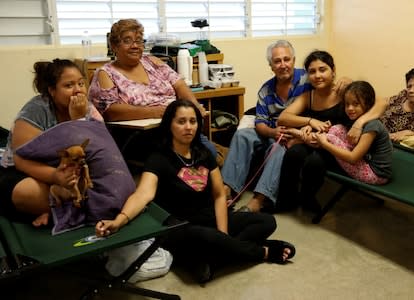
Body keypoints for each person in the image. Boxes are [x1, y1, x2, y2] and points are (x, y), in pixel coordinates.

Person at [95, 100, 296, 283]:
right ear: (170, 125)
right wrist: (119, 220)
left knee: (266, 221)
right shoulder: (158, 158)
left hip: (208, 219)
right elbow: (142, 195)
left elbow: (219, 194)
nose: (188, 127)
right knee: (206, 237)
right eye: (181, 121)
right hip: (179, 227)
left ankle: (209, 260)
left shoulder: (204, 154)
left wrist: (223, 234)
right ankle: (264, 251)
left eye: (192, 121)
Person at [88, 18, 216, 157]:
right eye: (127, 40)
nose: (135, 45)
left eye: (138, 40)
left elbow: (179, 84)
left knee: (208, 153)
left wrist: (194, 106)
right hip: (141, 135)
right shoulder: (105, 73)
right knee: (199, 156)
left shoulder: (153, 62)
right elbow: (111, 111)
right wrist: (159, 112)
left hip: (175, 124)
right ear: (114, 46)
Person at [0, 59, 103, 226]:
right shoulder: (37, 109)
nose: (78, 90)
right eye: (69, 86)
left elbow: (101, 149)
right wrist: (55, 176)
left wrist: (79, 118)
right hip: (28, 172)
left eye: (81, 83)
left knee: (105, 183)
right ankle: (59, 211)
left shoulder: (88, 109)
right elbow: (21, 160)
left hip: (72, 172)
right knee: (26, 192)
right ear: (52, 90)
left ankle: (52, 212)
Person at [220, 40, 311, 213]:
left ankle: (258, 200)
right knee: (242, 135)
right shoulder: (265, 90)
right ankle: (228, 190)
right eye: (277, 61)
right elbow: (260, 123)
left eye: (287, 59)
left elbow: (329, 84)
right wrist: (272, 132)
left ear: (293, 60)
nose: (283, 65)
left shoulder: (307, 79)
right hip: (271, 131)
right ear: (271, 66)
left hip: (294, 135)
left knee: (278, 149)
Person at [276, 50, 363, 211]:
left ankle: (308, 198)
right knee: (294, 153)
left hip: (336, 146)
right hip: (313, 140)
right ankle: (286, 201)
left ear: (333, 71)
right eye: (312, 72)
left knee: (314, 162)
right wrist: (310, 121)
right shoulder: (309, 96)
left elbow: (378, 102)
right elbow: (283, 117)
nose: (317, 75)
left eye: (322, 69)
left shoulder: (344, 93)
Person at [314, 81, 392, 184]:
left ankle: (312, 140)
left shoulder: (372, 125)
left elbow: (353, 158)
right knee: (337, 129)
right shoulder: (355, 119)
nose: (350, 108)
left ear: (368, 104)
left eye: (356, 104)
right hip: (365, 160)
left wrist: (324, 143)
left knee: (331, 138)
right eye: (347, 104)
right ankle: (305, 136)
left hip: (376, 174)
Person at [379, 67, 414, 142]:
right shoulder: (403, 95)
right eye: (409, 86)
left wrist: (410, 133)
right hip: (376, 131)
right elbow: (383, 102)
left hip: (389, 144)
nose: (411, 90)